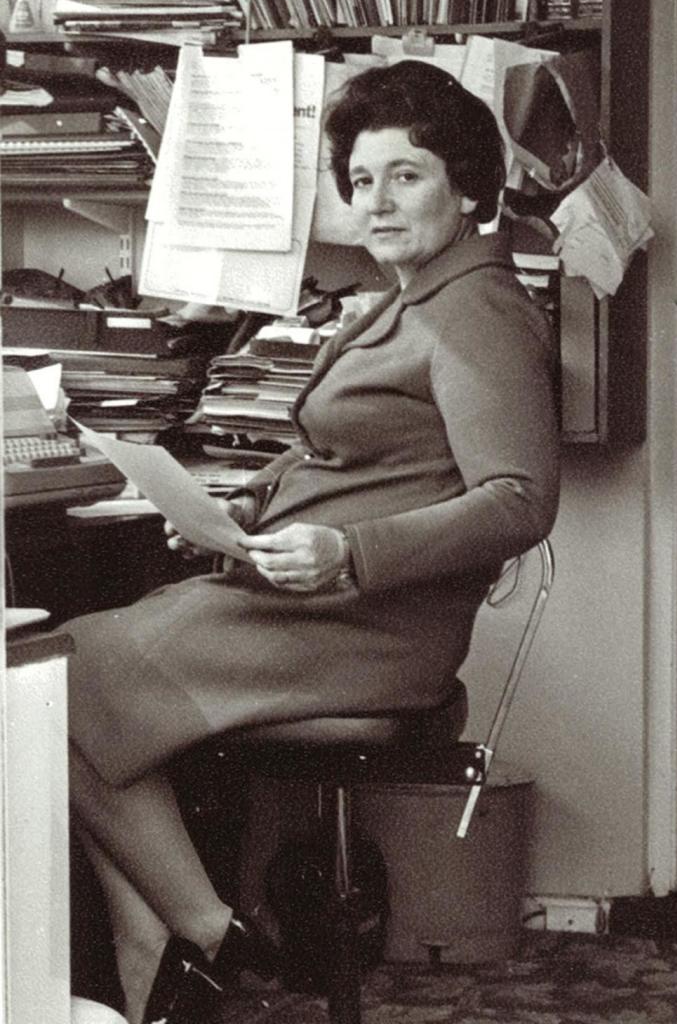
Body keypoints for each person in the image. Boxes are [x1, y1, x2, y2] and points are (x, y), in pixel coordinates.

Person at [61, 59, 561, 1024]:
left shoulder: (479, 309)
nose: (377, 202)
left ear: (465, 186)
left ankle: (207, 934)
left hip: (368, 624)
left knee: (53, 676)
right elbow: (356, 456)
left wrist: (347, 552)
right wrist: (246, 505)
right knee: (55, 684)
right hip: (312, 602)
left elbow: (519, 501)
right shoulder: (413, 297)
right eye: (362, 180)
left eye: (405, 176)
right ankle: (155, 945)